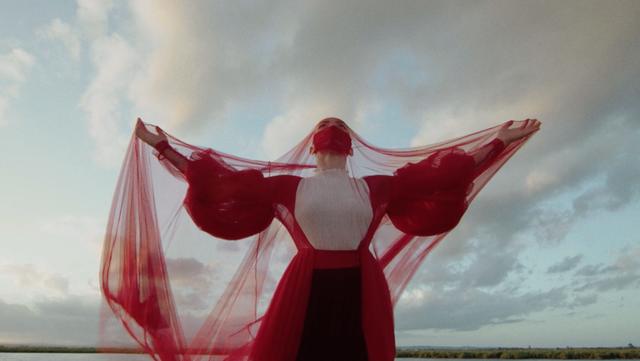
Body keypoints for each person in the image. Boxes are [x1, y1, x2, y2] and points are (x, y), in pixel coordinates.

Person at [101, 116, 540, 361]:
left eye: (336, 138)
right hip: (309, 287)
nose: (330, 143)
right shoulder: (291, 189)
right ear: (316, 148)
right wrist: (162, 147)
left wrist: (500, 141)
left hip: (358, 288)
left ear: (342, 148)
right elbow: (218, 183)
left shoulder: (375, 188)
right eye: (326, 138)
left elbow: (445, 175)